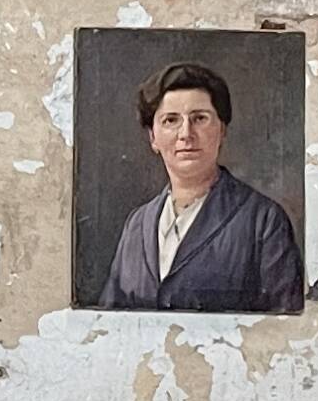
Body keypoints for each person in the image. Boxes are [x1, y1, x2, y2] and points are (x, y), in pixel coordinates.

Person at [100, 58, 303, 314]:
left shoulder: (263, 221)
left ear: (222, 130)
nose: (186, 133)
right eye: (170, 120)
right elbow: (106, 321)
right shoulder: (137, 225)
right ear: (153, 138)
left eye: (199, 118)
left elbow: (283, 327)